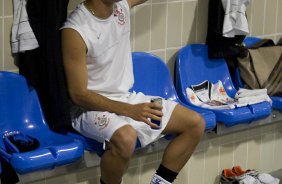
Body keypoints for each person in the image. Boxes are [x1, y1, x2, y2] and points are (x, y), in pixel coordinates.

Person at [61, 0, 205, 183]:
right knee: (126, 138)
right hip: (88, 109)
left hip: (125, 99)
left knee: (194, 124)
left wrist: (129, 107)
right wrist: (129, 111)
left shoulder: (121, 7)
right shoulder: (74, 30)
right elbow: (78, 95)